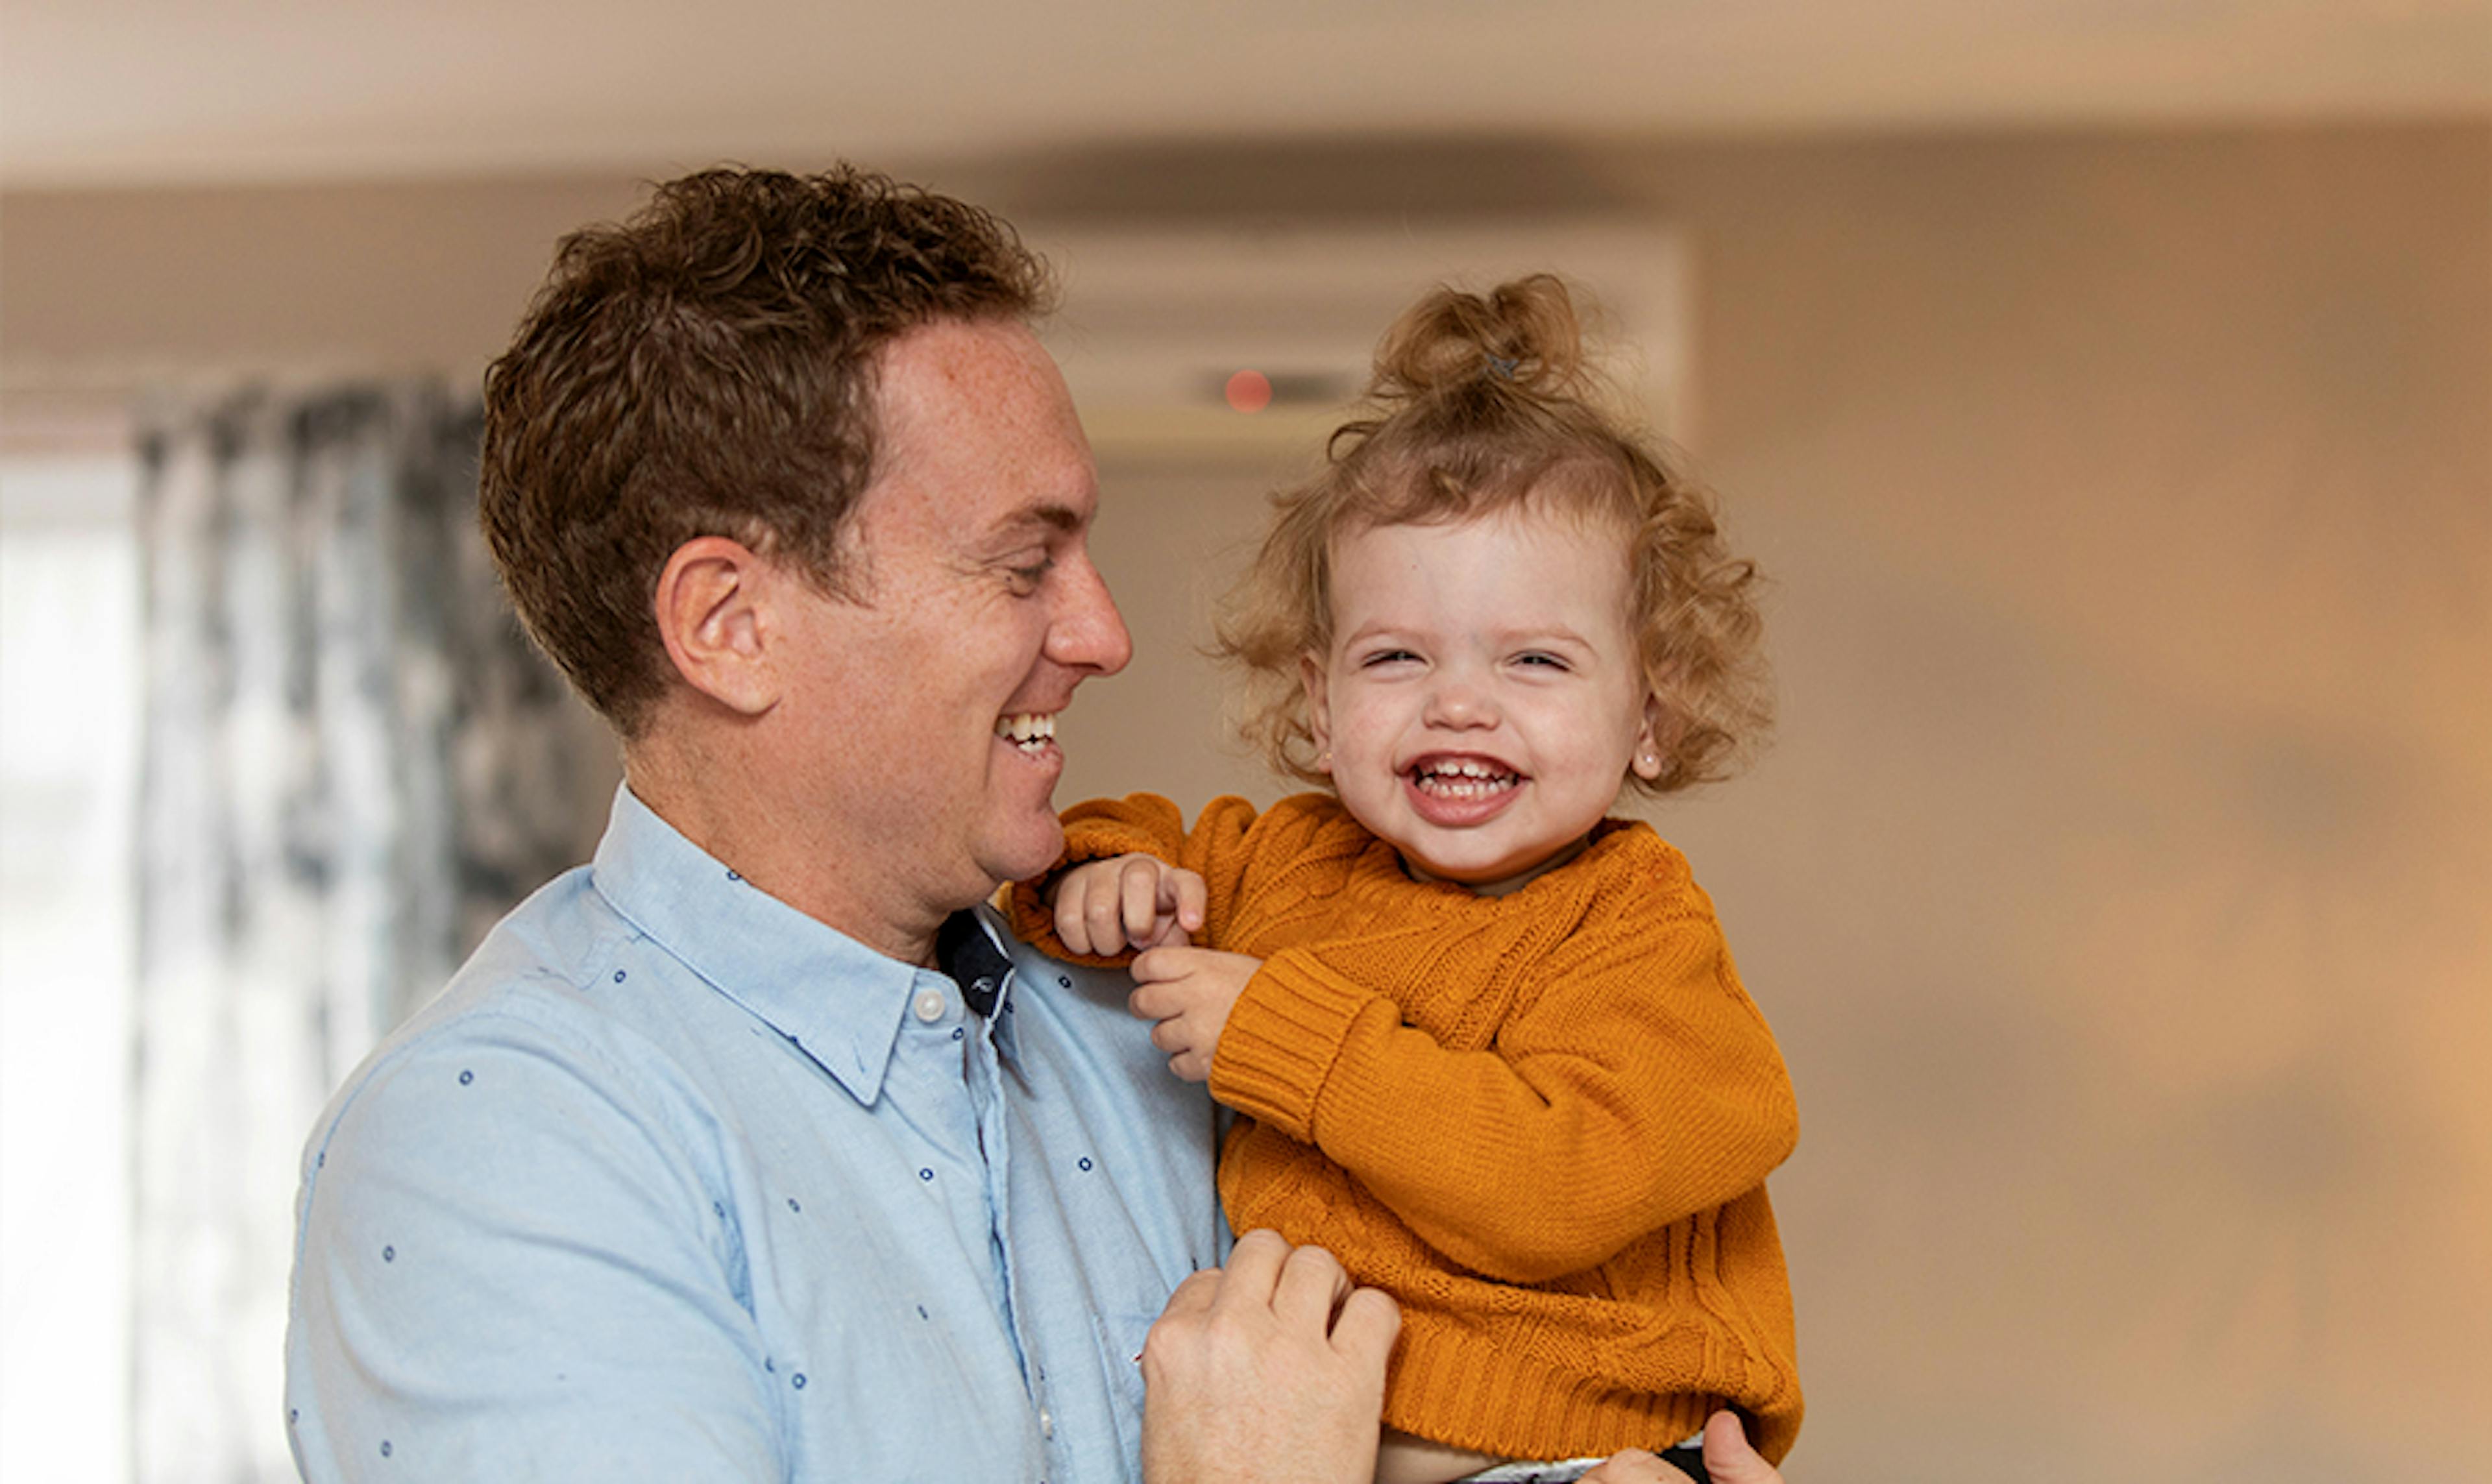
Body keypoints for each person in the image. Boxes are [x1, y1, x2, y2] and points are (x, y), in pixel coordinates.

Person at [280, 167, 1787, 1484]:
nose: (1108, 633)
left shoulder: (1153, 1008)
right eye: (1024, 564)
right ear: (730, 624)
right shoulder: (505, 1146)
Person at [1010, 275, 1801, 1483]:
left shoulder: (1639, 931)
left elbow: (1559, 1186)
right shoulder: (1285, 858)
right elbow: (1122, 828)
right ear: (1320, 708)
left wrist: (1287, 1037)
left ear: (1653, 712)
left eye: (1535, 657)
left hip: (1594, 1458)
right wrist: (1106, 872)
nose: (1460, 702)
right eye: (1397, 657)